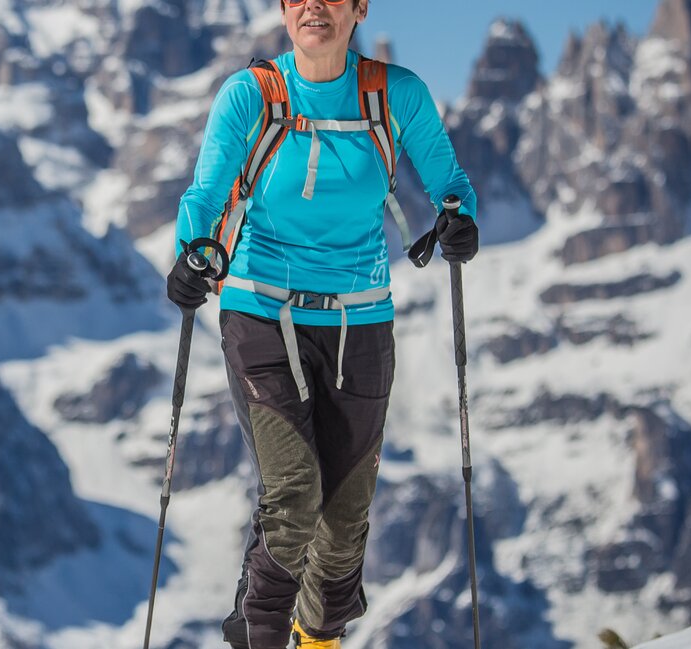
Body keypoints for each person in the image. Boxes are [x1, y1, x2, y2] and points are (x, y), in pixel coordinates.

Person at [164, 0, 480, 647]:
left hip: (360, 322)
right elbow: (206, 193)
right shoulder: (250, 96)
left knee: (342, 528)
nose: (315, 5)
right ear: (283, 8)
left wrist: (458, 220)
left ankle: (318, 640)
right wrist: (196, 250)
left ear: (360, 7)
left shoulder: (396, 97)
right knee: (294, 492)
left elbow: (451, 184)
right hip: (259, 309)